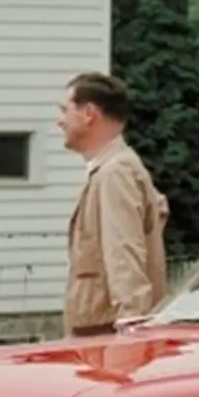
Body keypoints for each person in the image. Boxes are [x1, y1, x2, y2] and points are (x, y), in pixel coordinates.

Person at [55, 72, 169, 337]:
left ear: (89, 114)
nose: (59, 121)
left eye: (65, 110)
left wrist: (132, 330)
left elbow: (124, 255)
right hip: (98, 332)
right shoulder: (112, 170)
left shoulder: (114, 174)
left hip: (104, 336)